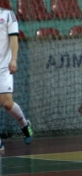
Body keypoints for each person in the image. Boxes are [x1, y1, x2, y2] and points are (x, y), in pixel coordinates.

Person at [0, 8, 33, 150]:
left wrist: (13, 59)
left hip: (4, 66)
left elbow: (14, 39)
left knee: (7, 103)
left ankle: (24, 125)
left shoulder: (7, 15)